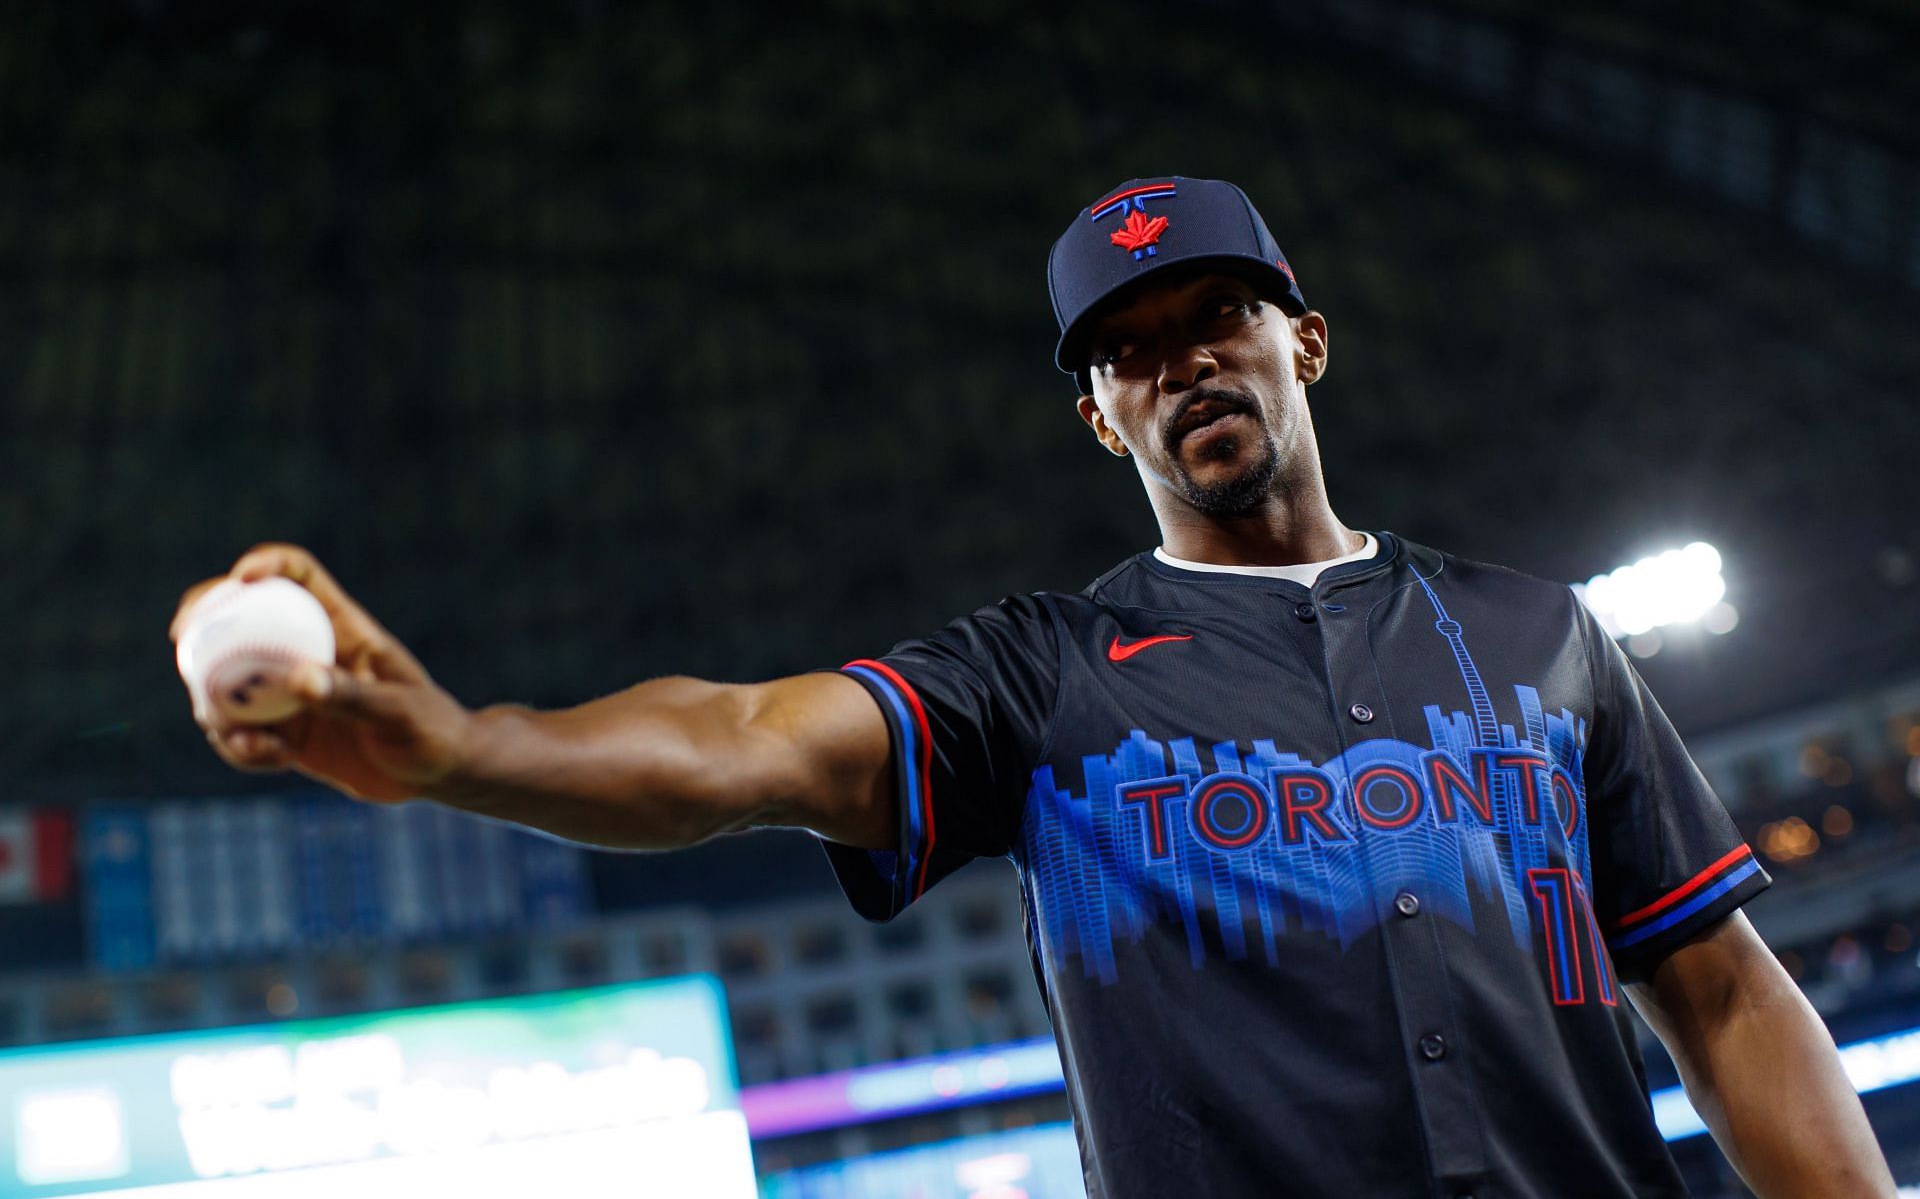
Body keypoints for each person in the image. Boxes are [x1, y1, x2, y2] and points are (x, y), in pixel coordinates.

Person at [175, 176, 1893, 1198]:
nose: (1184, 358)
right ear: (1101, 414)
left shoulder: (1539, 637)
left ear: (1303, 337)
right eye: (1131, 346)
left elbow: (1727, 993)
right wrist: (468, 749)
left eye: (1218, 311)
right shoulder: (1040, 678)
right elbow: (737, 741)